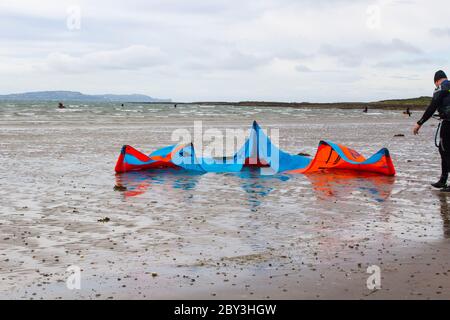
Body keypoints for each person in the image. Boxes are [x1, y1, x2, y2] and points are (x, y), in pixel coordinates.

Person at [413, 70, 450, 190]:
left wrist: (420, 123)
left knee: (445, 150)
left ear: (436, 80)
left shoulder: (441, 87)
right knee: (442, 149)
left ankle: (444, 180)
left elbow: (433, 106)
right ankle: (443, 180)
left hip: (448, 123)